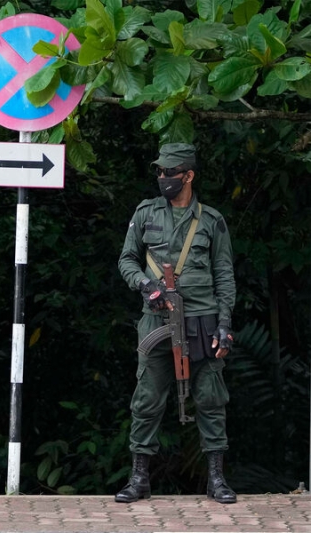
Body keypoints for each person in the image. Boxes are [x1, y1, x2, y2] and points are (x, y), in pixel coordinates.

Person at [115, 143, 237, 504]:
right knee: (147, 400)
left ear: (189, 175)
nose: (163, 178)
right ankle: (139, 479)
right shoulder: (146, 213)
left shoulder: (211, 221)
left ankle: (216, 479)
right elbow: (127, 260)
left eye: (170, 172)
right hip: (156, 322)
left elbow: (225, 275)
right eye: (160, 172)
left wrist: (224, 324)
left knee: (211, 399)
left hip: (202, 321)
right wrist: (144, 285)